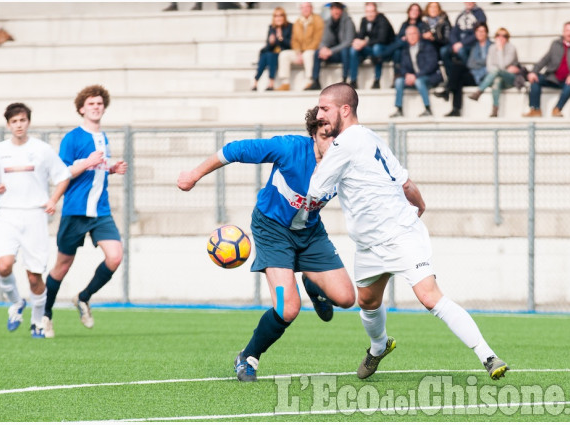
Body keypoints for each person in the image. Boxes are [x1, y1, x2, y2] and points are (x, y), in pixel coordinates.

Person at [308, 82, 508, 381]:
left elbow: (313, 195)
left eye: (325, 108)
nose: (321, 114)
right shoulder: (371, 137)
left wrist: (320, 155)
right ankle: (379, 347)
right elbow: (404, 182)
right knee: (367, 302)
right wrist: (420, 203)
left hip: (399, 235)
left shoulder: (341, 146)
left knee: (430, 298)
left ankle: (488, 355)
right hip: (369, 244)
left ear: (345, 109)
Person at [177, 107, 356, 382]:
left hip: (311, 233)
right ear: (313, 134)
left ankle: (313, 285)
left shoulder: (344, 162)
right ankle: (248, 357)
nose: (331, 144)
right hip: (272, 230)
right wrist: (194, 174)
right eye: (324, 136)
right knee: (287, 308)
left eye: (336, 138)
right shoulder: (288, 148)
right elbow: (234, 150)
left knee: (346, 299)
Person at [42, 85, 128, 338]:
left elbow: (96, 170)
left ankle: (83, 297)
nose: (96, 107)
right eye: (91, 103)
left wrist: (111, 168)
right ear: (81, 108)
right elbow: (62, 172)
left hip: (101, 211)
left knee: (115, 257)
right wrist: (85, 164)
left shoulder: (104, 138)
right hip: (76, 210)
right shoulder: (72, 138)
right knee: (62, 266)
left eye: (100, 103)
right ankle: (45, 315)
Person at [0, 103, 71, 338]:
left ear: (28, 122)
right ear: (8, 125)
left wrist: (53, 199)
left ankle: (37, 321)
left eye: (22, 120)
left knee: (34, 276)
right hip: (7, 214)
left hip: (34, 215)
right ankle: (15, 304)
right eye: (14, 122)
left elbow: (63, 176)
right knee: (3, 265)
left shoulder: (42, 149)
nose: (19, 125)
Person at [523, 21, 570, 118]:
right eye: (567, 30)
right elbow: (545, 59)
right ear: (563, 32)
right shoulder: (555, 44)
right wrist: (534, 72)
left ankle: (557, 109)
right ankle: (535, 109)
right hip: (553, 77)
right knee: (535, 79)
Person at [390, 25, 442, 118]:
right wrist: (407, 75)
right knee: (398, 81)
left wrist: (416, 76)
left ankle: (427, 109)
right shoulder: (405, 49)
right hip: (414, 78)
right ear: (406, 37)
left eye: (414, 33)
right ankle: (399, 109)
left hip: (430, 77)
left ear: (419, 35)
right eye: (409, 34)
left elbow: (431, 65)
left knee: (419, 81)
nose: (412, 36)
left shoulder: (427, 47)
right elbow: (403, 66)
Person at [440, 22, 491, 117]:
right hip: (474, 74)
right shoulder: (473, 46)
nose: (480, 33)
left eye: (482, 31)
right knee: (458, 75)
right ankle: (456, 109)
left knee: (458, 73)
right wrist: (481, 62)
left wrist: (478, 62)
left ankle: (448, 90)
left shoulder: (491, 46)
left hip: (484, 77)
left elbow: (489, 63)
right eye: (478, 31)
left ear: (486, 33)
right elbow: (470, 63)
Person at [467, 27, 520, 117]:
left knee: (497, 70)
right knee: (497, 80)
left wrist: (500, 50)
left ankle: (479, 91)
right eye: (498, 35)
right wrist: (499, 69)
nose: (501, 37)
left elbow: (502, 65)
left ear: (508, 38)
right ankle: (495, 109)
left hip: (510, 79)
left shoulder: (511, 48)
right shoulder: (492, 48)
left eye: (504, 36)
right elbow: (489, 67)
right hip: (497, 77)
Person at [305, 2, 355, 91]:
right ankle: (316, 81)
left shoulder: (348, 22)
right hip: (333, 53)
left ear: (341, 11)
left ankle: (345, 79)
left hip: (342, 53)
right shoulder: (328, 22)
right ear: (331, 11)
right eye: (333, 9)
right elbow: (324, 40)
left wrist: (331, 51)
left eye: (338, 9)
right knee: (317, 52)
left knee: (345, 51)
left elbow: (348, 42)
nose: (336, 12)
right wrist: (323, 49)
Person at [276, 2, 324, 91]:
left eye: (307, 7)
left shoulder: (318, 20)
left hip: (312, 49)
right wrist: (298, 52)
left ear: (311, 8)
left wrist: (304, 51)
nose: (305, 9)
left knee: (308, 55)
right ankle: (285, 83)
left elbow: (318, 39)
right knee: (284, 54)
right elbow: (294, 40)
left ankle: (310, 81)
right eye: (303, 7)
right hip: (300, 52)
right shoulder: (298, 22)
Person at [348, 2, 396, 90]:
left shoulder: (382, 20)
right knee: (353, 50)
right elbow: (361, 35)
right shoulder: (364, 20)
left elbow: (382, 39)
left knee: (377, 48)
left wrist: (364, 42)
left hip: (386, 50)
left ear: (376, 12)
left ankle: (377, 80)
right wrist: (357, 42)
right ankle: (353, 80)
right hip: (372, 47)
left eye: (372, 11)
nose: (369, 14)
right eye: (367, 11)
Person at [442, 2, 486, 81]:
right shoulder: (461, 15)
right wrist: (455, 43)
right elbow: (454, 31)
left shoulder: (480, 14)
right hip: (458, 44)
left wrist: (462, 43)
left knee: (461, 51)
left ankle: (468, 73)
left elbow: (479, 33)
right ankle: (450, 78)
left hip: (471, 44)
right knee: (444, 51)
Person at [252, 7, 292, 92]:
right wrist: (271, 43)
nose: (278, 18)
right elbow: (268, 47)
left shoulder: (289, 27)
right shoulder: (271, 28)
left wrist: (281, 38)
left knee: (270, 55)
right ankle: (256, 81)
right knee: (265, 55)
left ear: (284, 16)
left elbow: (290, 45)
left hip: (283, 53)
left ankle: (270, 82)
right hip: (272, 54)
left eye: (281, 15)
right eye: (276, 16)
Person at [392, 3, 429, 79]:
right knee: (397, 52)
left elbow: (424, 38)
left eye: (416, 10)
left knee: (399, 47)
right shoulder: (405, 24)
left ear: (419, 13)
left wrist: (410, 37)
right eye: (412, 10)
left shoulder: (423, 24)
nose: (414, 12)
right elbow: (399, 37)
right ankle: (397, 75)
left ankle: (382, 53)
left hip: (418, 48)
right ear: (409, 12)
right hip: (405, 47)